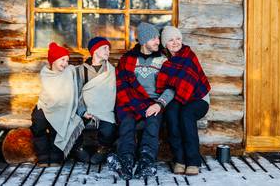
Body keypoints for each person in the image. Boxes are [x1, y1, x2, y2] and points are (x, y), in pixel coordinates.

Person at [108, 22, 175, 180]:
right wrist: (135, 105)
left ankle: (146, 160)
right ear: (144, 40)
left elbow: (171, 87)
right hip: (130, 101)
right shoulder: (128, 59)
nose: (158, 42)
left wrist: (159, 104)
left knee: (152, 122)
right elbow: (122, 84)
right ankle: (126, 160)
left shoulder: (163, 60)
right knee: (127, 121)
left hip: (154, 102)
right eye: (154, 39)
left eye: (158, 38)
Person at [156, 26, 211, 176]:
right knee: (172, 114)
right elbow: (168, 86)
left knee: (186, 114)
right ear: (164, 43)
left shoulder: (188, 55)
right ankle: (179, 160)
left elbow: (188, 83)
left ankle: (193, 161)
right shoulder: (165, 61)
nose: (175, 42)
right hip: (177, 98)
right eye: (171, 40)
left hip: (198, 98)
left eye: (178, 39)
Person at [31, 42, 84, 167]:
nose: (65, 63)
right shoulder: (45, 74)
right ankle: (43, 155)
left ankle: (56, 156)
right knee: (38, 122)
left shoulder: (69, 72)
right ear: (53, 60)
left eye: (67, 60)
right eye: (62, 60)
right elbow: (47, 94)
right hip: (46, 104)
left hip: (64, 106)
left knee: (59, 123)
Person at [72, 37, 117, 164]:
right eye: (105, 48)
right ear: (95, 50)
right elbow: (76, 94)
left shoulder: (111, 70)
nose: (108, 51)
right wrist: (82, 111)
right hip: (87, 110)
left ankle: (103, 149)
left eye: (109, 48)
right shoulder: (81, 70)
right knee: (72, 124)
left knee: (108, 129)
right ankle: (77, 148)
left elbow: (113, 93)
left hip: (105, 109)